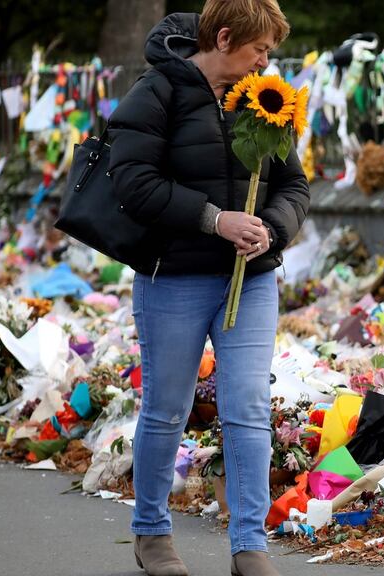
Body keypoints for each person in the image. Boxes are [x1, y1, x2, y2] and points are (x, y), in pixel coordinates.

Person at [107, 1, 309, 574]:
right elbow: (133, 182)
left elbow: (294, 185)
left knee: (247, 409)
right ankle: (151, 534)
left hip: (251, 281)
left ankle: (250, 546)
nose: (267, 62)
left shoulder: (263, 101)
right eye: (260, 49)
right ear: (224, 38)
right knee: (167, 410)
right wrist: (214, 219)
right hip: (172, 279)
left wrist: (273, 229)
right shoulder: (156, 93)